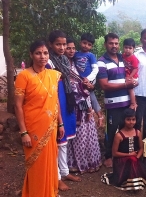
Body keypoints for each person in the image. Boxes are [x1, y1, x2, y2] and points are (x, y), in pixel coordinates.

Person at [15, 40, 64, 196]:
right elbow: (18, 106)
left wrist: (60, 124)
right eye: (38, 53)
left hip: (51, 126)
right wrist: (23, 133)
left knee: (50, 162)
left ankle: (48, 192)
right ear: (31, 55)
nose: (42, 56)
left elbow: (55, 100)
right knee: (36, 165)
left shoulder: (53, 74)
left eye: (45, 53)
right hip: (33, 128)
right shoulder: (24, 76)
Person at [97, 33, 138, 168]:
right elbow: (104, 85)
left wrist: (133, 83)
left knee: (124, 129)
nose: (114, 46)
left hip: (126, 102)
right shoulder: (102, 62)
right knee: (111, 130)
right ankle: (108, 156)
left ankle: (123, 155)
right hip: (113, 104)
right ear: (105, 44)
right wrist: (126, 85)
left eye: (116, 43)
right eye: (111, 43)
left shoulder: (123, 58)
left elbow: (134, 69)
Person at [45, 30, 78, 191]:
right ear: (51, 44)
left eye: (64, 44)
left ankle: (64, 172)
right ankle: (56, 176)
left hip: (66, 100)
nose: (62, 47)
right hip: (55, 101)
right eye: (58, 44)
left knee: (64, 140)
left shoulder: (64, 59)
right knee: (56, 141)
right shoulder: (48, 63)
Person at [65, 38, 102, 174]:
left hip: (86, 104)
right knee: (75, 136)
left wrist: (90, 85)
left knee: (87, 134)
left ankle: (89, 162)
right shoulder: (64, 64)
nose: (71, 50)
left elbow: (91, 78)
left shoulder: (85, 59)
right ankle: (73, 163)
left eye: (72, 48)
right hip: (73, 105)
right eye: (68, 48)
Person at [100, 108, 146, 190]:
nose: (131, 122)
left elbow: (141, 148)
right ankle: (126, 181)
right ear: (123, 120)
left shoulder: (138, 133)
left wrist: (137, 157)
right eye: (128, 119)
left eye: (133, 119)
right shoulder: (119, 135)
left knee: (133, 160)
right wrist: (129, 155)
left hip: (135, 159)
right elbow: (114, 153)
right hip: (121, 160)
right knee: (131, 160)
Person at [74, 32, 103, 123]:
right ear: (80, 42)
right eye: (84, 43)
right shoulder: (75, 54)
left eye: (89, 44)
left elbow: (95, 69)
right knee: (88, 95)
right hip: (80, 80)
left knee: (86, 93)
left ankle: (91, 111)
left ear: (91, 46)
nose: (86, 46)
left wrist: (89, 79)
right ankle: (94, 112)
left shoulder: (90, 55)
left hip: (90, 79)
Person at [122, 38, 139, 110]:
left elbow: (135, 69)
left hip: (133, 76)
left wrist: (130, 76)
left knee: (130, 88)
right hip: (126, 76)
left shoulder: (133, 58)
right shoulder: (123, 56)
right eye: (126, 47)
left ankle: (133, 103)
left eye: (130, 48)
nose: (127, 50)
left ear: (133, 49)